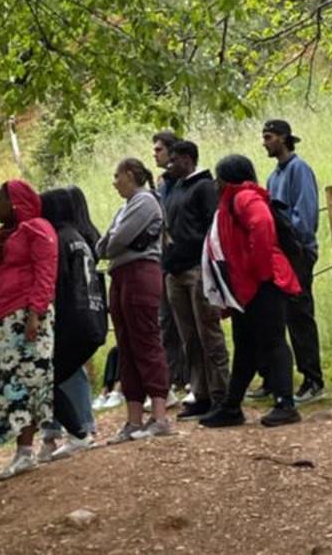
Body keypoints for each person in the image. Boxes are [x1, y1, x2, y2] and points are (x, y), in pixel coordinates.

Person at [0, 179, 58, 485]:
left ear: (16, 202)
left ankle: (25, 452)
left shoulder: (37, 228)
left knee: (23, 383)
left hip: (24, 316)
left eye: (1, 200)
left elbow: (46, 270)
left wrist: (36, 312)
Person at [199, 154, 301, 430]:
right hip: (248, 286)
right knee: (245, 344)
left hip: (263, 282)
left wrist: (260, 269)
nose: (215, 184)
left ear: (227, 178)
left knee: (273, 341)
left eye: (218, 178)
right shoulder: (233, 199)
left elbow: (263, 225)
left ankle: (285, 403)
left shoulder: (243, 197)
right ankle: (232, 406)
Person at [96, 157, 172, 440]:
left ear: (130, 174)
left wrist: (113, 241)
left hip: (141, 274)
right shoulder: (125, 208)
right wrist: (112, 241)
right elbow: (103, 245)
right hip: (121, 276)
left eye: (117, 176)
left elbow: (114, 241)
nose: (114, 182)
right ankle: (134, 419)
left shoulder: (145, 202)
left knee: (145, 340)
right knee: (126, 345)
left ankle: (160, 415)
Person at [160, 138, 229, 418]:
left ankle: (221, 393)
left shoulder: (203, 187)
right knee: (189, 337)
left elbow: (212, 228)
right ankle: (200, 392)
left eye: (174, 159)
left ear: (188, 159)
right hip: (174, 271)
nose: (170, 164)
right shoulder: (173, 188)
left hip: (197, 270)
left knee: (208, 332)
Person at [38, 187, 108, 456]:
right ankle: (66, 429)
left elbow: (57, 283)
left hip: (71, 319)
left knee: (48, 375)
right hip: (90, 316)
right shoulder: (79, 236)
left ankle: (79, 431)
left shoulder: (58, 239)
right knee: (60, 373)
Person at [263, 118, 325, 402]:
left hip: (297, 252)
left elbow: (305, 213)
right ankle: (285, 378)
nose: (265, 142)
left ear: (284, 138)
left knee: (300, 315)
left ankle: (313, 379)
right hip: (280, 254)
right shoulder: (273, 176)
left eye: (270, 137)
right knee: (284, 316)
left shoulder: (299, 170)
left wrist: (295, 243)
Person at [151, 129, 191, 400]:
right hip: (164, 260)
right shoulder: (161, 185)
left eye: (159, 150)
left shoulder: (185, 184)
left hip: (184, 259)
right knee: (166, 321)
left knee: (186, 320)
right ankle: (173, 378)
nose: (155, 154)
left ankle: (190, 378)